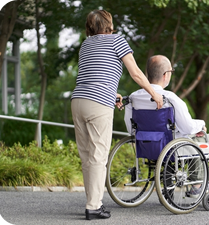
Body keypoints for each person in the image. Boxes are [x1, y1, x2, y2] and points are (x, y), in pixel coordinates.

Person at [71, 10, 163, 220]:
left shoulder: (86, 44)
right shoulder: (117, 40)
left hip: (78, 100)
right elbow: (136, 73)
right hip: (97, 103)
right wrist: (154, 94)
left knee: (87, 157)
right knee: (98, 156)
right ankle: (93, 206)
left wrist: (112, 94)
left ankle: (91, 202)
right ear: (108, 24)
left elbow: (94, 74)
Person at [124, 55, 209, 200]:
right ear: (166, 75)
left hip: (147, 147)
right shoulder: (170, 98)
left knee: (191, 134)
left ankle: (201, 184)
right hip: (175, 149)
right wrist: (201, 123)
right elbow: (188, 127)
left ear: (148, 74)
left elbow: (131, 129)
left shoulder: (134, 97)